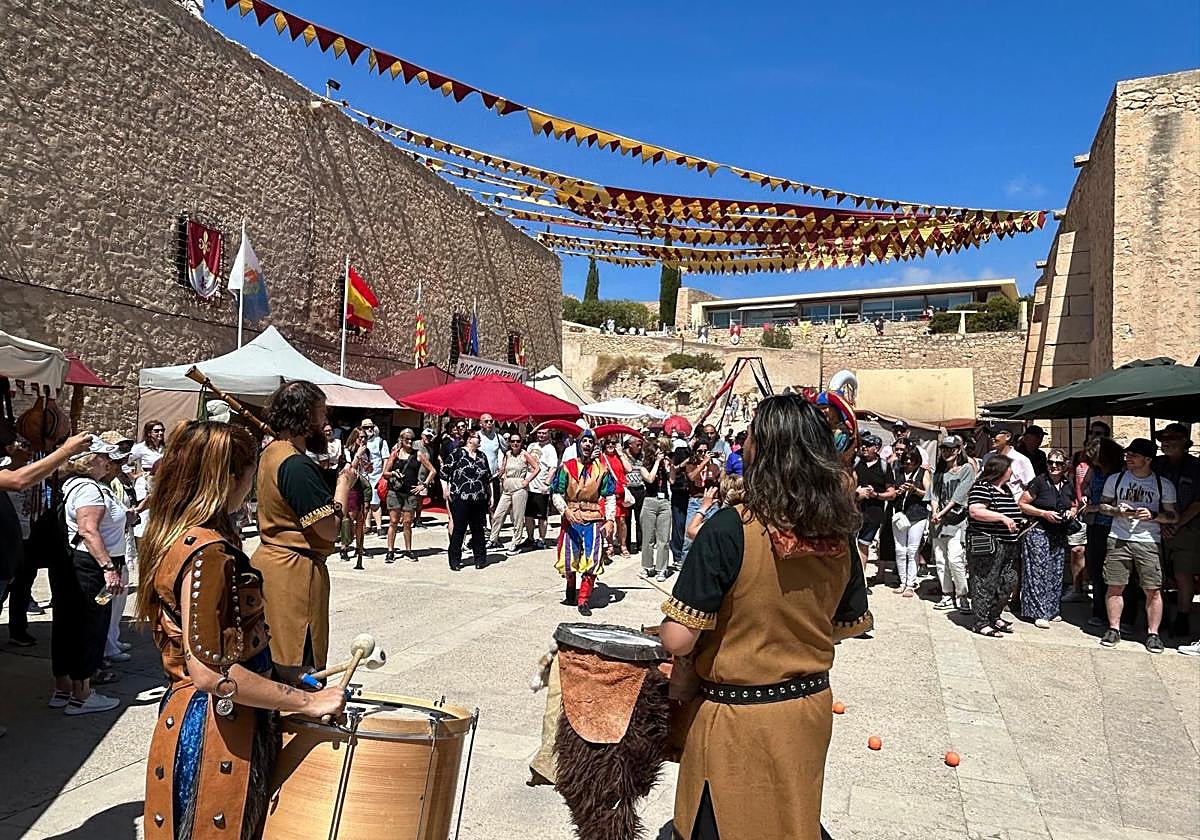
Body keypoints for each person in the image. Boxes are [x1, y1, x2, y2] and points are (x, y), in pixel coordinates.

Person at [658, 394, 868, 840]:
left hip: (737, 720)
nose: (745, 443)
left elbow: (679, 639)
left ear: (763, 450)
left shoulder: (729, 528)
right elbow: (842, 626)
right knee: (791, 823)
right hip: (806, 712)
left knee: (724, 825)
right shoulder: (839, 533)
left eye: (751, 435)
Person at [139, 421, 345, 840]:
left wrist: (279, 673)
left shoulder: (188, 538)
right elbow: (211, 674)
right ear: (230, 478)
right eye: (250, 475)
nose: (251, 487)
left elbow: (226, 648)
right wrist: (307, 702)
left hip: (208, 719)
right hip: (216, 732)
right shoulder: (208, 553)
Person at [253, 381, 355, 683]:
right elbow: (328, 530)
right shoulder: (294, 464)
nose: (324, 422)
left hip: (277, 566)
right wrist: (343, 486)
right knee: (297, 667)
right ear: (306, 416)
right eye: (321, 413)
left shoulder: (272, 453)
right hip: (294, 576)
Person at [50, 438, 131, 714]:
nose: (108, 462)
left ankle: (63, 688)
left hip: (77, 562)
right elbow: (88, 530)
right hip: (92, 566)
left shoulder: (75, 485)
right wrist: (108, 568)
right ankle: (82, 695)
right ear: (88, 460)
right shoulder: (89, 489)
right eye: (103, 457)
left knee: (68, 624)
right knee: (89, 625)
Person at [2, 432, 93, 647]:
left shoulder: (38, 470)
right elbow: (19, 480)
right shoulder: (8, 472)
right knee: (9, 586)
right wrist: (66, 450)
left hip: (30, 535)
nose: (29, 451)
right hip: (10, 543)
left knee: (23, 583)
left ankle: (18, 628)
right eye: (23, 446)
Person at [1097, 438, 1177, 653]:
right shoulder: (1116, 479)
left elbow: (1173, 516)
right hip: (1118, 537)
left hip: (1148, 540)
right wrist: (1117, 511)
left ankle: (1153, 633)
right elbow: (1103, 506)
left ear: (1148, 459)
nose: (1128, 458)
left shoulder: (1162, 484)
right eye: (1127, 454)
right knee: (1115, 585)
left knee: (1153, 589)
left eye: (1134, 455)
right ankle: (1113, 628)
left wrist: (1153, 515)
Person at [550, 431, 616, 615]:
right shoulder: (567, 467)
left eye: (590, 441)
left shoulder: (602, 469)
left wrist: (610, 520)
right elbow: (556, 492)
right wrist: (565, 510)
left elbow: (610, 496)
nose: (587, 444)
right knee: (569, 558)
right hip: (572, 517)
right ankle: (571, 588)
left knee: (593, 558)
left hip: (593, 517)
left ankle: (583, 600)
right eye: (584, 441)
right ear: (578, 445)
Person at [966, 454, 1024, 638]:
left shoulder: (1005, 489)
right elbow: (975, 511)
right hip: (988, 544)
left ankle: (994, 614)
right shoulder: (982, 487)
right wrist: (1002, 518)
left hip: (1008, 544)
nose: (1012, 471)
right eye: (1010, 468)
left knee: (1008, 581)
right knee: (985, 582)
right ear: (1001, 470)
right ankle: (981, 622)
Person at [1017, 449, 1077, 628]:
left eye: (1058, 463)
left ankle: (1051, 609)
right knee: (1037, 571)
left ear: (1065, 465)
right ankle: (1037, 611)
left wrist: (1071, 512)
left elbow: (1074, 504)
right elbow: (1022, 503)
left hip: (1058, 532)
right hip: (1038, 530)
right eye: (1051, 462)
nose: (1054, 466)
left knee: (1056, 571)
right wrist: (1043, 513)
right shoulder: (1039, 482)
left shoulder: (1067, 484)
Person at [1153, 423, 1200, 640]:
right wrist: (1162, 523)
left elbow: (1198, 503)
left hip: (1187, 528)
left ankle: (1182, 616)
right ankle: (1159, 614)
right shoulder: (1157, 465)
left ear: (1184, 442)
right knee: (1158, 573)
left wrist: (1176, 524)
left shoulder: (1196, 467)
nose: (1166, 443)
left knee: (1183, 573)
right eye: (1163, 439)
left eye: (1171, 438)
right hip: (1158, 525)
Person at [1081, 437, 1126, 627]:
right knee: (1097, 569)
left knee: (1117, 572)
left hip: (1116, 526)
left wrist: (1096, 507)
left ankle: (1122, 616)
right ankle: (1099, 611)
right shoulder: (1096, 471)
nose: (1094, 461)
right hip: (1097, 525)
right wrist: (1086, 496)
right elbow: (1087, 487)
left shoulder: (1123, 473)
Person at [928, 435, 976, 613]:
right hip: (939, 522)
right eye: (944, 449)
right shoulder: (939, 472)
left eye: (950, 449)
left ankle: (962, 595)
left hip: (957, 520)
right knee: (940, 560)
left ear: (958, 450)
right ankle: (947, 594)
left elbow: (959, 496)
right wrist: (935, 512)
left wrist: (940, 513)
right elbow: (934, 494)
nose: (946, 452)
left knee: (955, 559)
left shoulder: (966, 469)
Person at [383, 429, 436, 563]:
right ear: (401, 439)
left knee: (407, 522)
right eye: (407, 439)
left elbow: (432, 470)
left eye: (411, 439)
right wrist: (394, 473)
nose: (410, 441)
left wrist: (423, 485)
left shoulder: (418, 454)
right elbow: (385, 473)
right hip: (395, 491)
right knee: (393, 522)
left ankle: (408, 550)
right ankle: (390, 550)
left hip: (410, 492)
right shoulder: (395, 453)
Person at [445, 428, 491, 571]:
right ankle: (455, 560)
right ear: (469, 439)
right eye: (477, 437)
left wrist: (491, 495)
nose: (480, 439)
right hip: (460, 497)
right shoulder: (457, 454)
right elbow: (444, 473)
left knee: (478, 529)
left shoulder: (482, 456)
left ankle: (480, 559)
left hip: (479, 498)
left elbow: (487, 478)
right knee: (459, 529)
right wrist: (446, 490)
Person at [890, 448, 931, 597]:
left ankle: (910, 584)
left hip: (917, 515)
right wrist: (898, 492)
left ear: (917, 459)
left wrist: (915, 490)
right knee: (900, 550)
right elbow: (891, 492)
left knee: (912, 550)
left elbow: (929, 494)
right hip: (900, 515)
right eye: (906, 458)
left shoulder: (923, 472)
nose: (908, 462)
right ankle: (902, 582)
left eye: (912, 458)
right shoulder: (897, 471)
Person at [488, 432, 537, 555]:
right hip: (507, 487)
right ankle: (493, 539)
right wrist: (501, 476)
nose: (515, 443)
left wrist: (527, 480)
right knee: (498, 514)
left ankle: (516, 542)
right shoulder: (508, 454)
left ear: (521, 442)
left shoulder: (524, 454)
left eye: (518, 441)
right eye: (513, 441)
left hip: (519, 487)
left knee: (517, 517)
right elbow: (503, 468)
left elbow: (537, 468)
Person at [853, 434, 891, 578]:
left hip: (873, 514)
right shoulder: (855, 462)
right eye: (863, 444)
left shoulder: (884, 466)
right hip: (853, 511)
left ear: (876, 448)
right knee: (850, 545)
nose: (864, 447)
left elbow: (892, 493)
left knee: (863, 545)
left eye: (868, 445)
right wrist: (856, 493)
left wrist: (876, 495)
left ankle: (861, 579)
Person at [680, 439, 721, 564]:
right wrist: (704, 463)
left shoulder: (714, 467)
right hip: (695, 501)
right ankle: (685, 564)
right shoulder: (691, 465)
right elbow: (692, 477)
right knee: (689, 536)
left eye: (705, 451)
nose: (703, 454)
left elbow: (721, 482)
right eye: (700, 451)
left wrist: (723, 464)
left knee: (712, 535)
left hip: (711, 502)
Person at [638, 439, 673, 581]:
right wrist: (657, 463)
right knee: (648, 538)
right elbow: (650, 479)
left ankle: (662, 569)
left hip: (664, 502)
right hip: (650, 502)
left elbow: (672, 481)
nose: (661, 455)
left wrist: (670, 467)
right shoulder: (643, 467)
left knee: (664, 539)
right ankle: (647, 566)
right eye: (658, 452)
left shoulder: (664, 467)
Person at [339, 428, 372, 568]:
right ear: (354, 438)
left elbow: (368, 469)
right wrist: (358, 455)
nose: (363, 440)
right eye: (360, 437)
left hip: (362, 485)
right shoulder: (348, 451)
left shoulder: (367, 451)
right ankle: (344, 546)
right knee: (350, 517)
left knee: (361, 517)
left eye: (365, 437)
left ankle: (359, 547)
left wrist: (368, 466)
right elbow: (350, 468)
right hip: (350, 485)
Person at [524, 426, 558, 549]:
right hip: (529, 485)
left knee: (542, 516)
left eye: (544, 433)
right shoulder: (531, 446)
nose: (541, 435)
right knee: (528, 515)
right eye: (539, 433)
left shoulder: (550, 449)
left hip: (541, 486)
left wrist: (547, 484)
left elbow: (553, 468)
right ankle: (530, 538)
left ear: (548, 434)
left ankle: (542, 539)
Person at [598, 436, 630, 558]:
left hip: (620, 493)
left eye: (613, 443)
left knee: (621, 521)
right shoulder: (601, 457)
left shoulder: (620, 456)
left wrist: (621, 454)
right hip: (607, 493)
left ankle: (623, 545)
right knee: (608, 520)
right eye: (608, 443)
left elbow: (629, 469)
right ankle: (610, 545)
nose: (610, 445)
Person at [984, 428, 1035, 502]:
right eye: (989, 435)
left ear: (1007, 436)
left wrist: (1022, 503)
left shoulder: (1020, 459)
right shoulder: (987, 457)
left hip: (1012, 503)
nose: (990, 438)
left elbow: (1032, 486)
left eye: (994, 434)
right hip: (989, 501)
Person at [359, 418, 389, 537]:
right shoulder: (359, 442)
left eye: (371, 426)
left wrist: (383, 475)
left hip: (376, 477)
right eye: (366, 427)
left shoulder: (380, 441)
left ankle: (379, 527)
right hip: (363, 477)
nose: (369, 429)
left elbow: (385, 459)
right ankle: (367, 525)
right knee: (366, 502)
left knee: (375, 503)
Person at [621, 436, 645, 554]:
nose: (639, 447)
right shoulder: (623, 455)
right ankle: (627, 544)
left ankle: (641, 544)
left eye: (640, 445)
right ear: (630, 444)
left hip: (640, 489)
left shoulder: (642, 455)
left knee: (640, 518)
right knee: (627, 518)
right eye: (637, 445)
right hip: (628, 490)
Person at [478, 413, 503, 511]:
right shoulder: (476, 436)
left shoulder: (498, 437)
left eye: (491, 421)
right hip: (478, 477)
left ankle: (493, 522)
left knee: (493, 507)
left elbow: (506, 452)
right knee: (479, 507)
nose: (489, 423)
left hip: (493, 476)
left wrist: (502, 467)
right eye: (486, 421)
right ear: (480, 423)